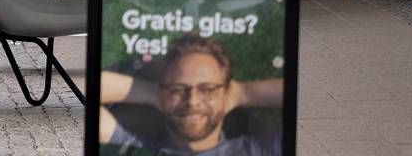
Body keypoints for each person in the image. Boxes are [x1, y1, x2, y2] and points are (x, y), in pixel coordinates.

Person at [95, 36, 284, 155]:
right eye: (178, 89)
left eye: (207, 89)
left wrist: (241, 93)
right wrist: (158, 93)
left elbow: (291, 93)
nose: (192, 101)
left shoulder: (258, 150)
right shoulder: (140, 147)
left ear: (227, 94)